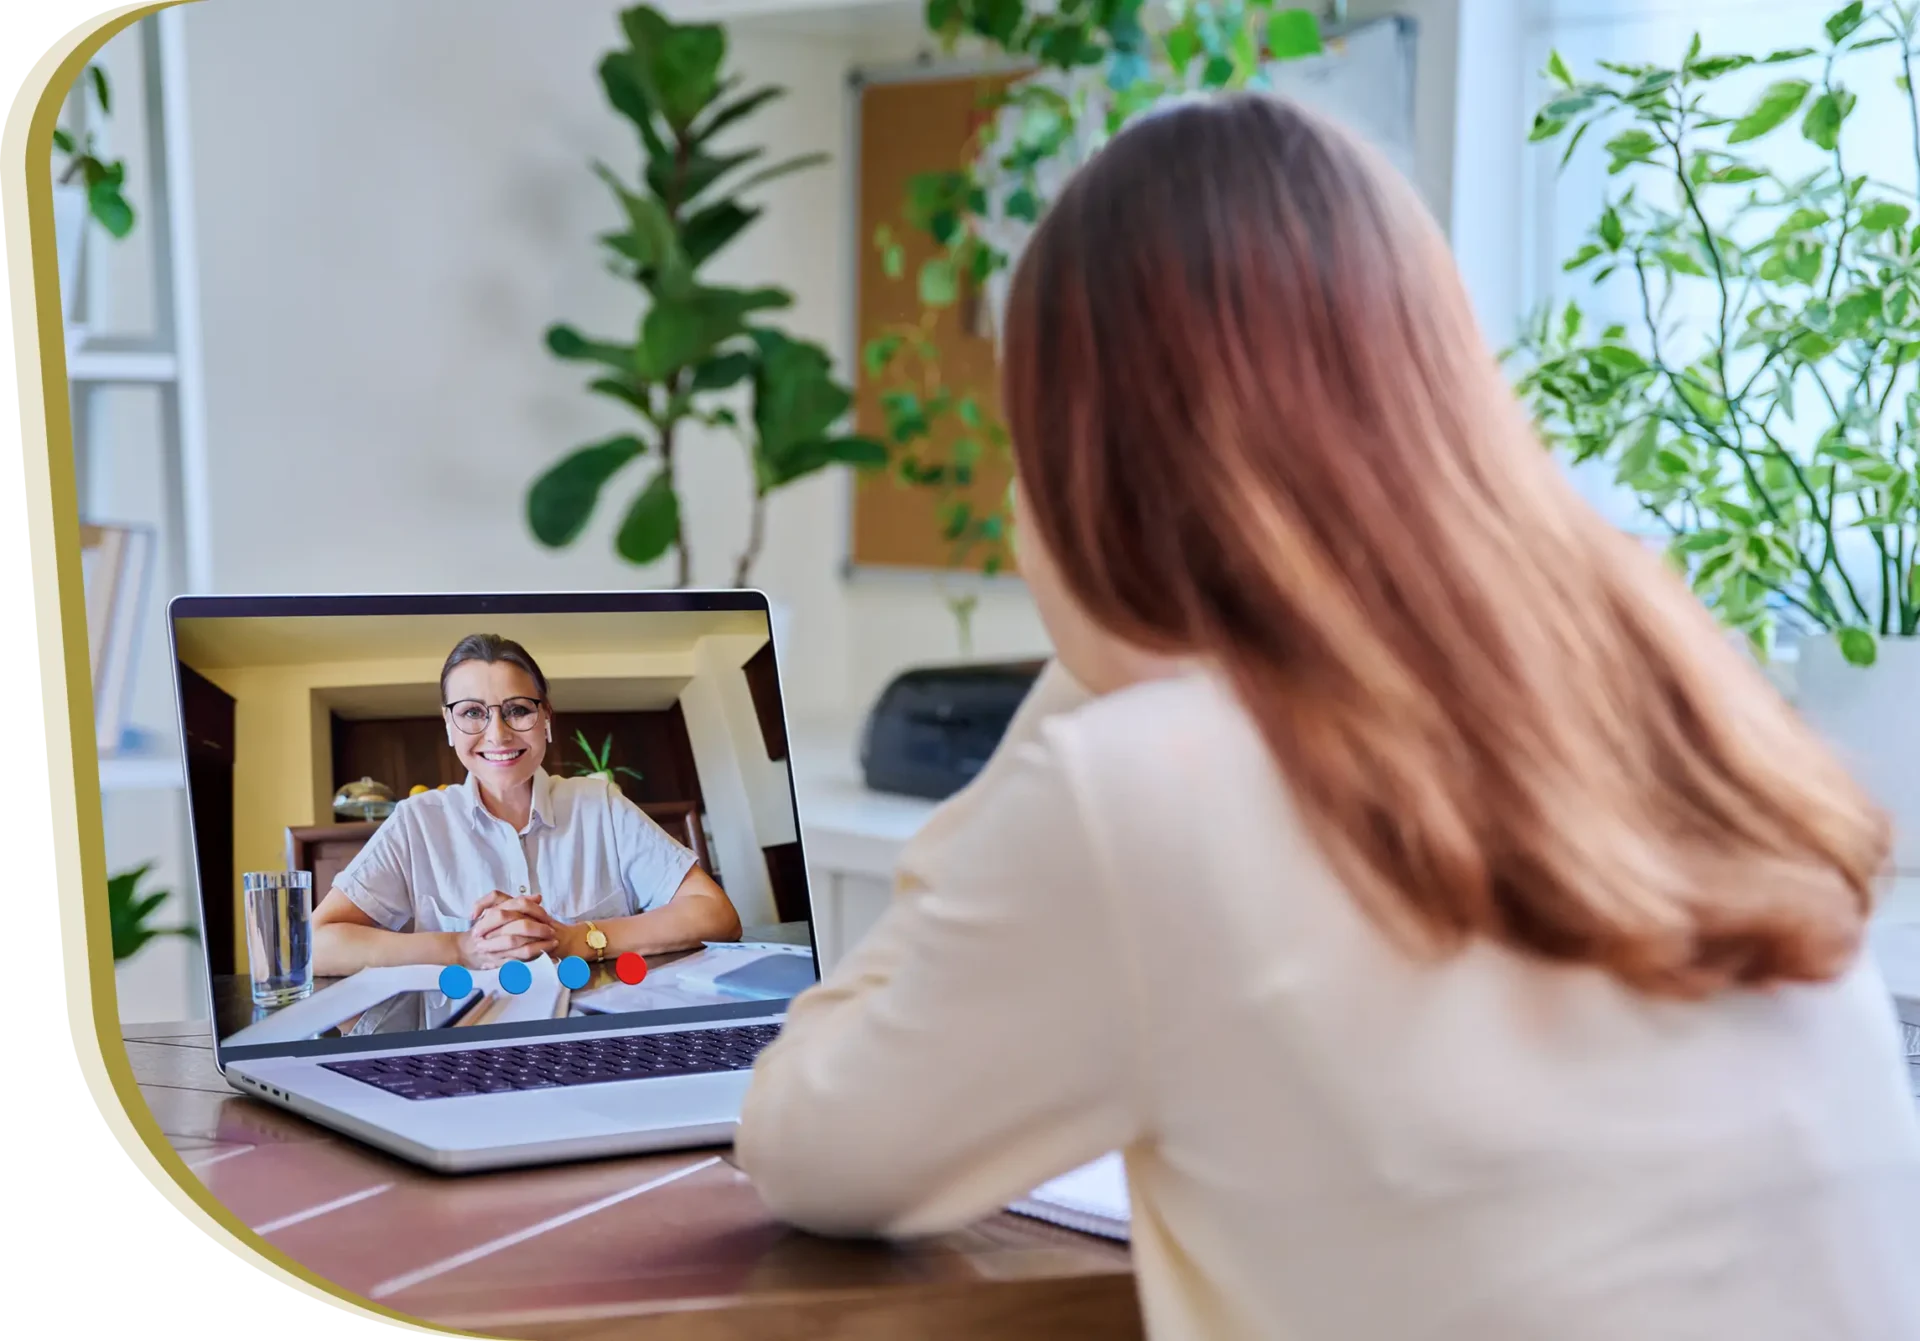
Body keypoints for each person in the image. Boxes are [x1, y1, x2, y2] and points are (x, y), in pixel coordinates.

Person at [734, 94, 1920, 1339]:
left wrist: (1100, 655)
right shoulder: (1683, 706)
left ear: (1096, 469)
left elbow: (813, 1142)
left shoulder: (1150, 785)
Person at [311, 633, 741, 976]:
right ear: (449, 725)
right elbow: (316, 944)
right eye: (473, 712)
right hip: (463, 1054)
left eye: (517, 709)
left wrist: (578, 939)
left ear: (546, 718)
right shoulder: (416, 822)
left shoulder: (600, 806)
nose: (497, 734)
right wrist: (462, 946)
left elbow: (715, 913)